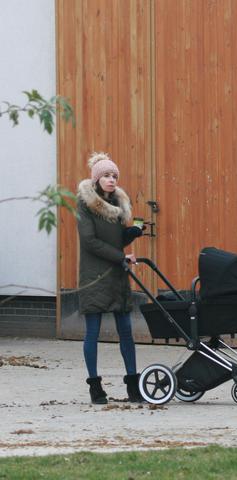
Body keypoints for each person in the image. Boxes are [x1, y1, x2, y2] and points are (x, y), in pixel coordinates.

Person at [76, 152, 144, 404]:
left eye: (114, 175)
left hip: (116, 274)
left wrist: (132, 233)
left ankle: (133, 386)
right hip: (94, 276)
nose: (112, 179)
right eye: (106, 175)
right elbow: (90, 241)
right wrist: (121, 257)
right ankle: (95, 387)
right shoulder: (85, 204)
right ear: (96, 179)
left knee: (126, 331)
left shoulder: (118, 204)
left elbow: (117, 241)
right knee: (92, 332)